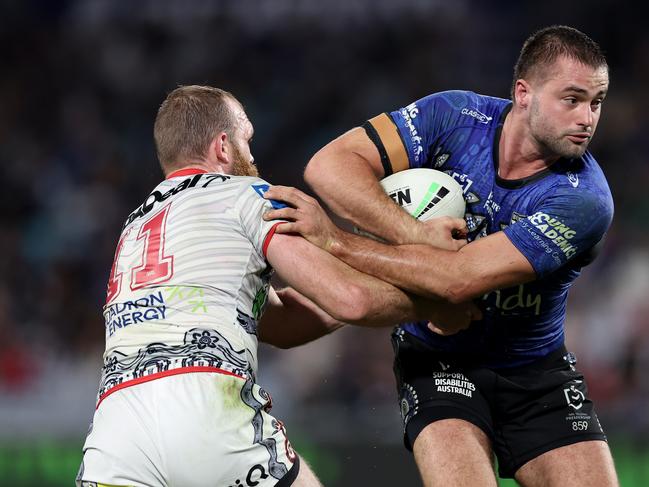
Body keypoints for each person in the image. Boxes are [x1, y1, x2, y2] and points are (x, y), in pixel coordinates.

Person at [263, 26, 619, 486]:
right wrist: (410, 231)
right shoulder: (453, 116)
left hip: (537, 373)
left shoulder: (584, 200)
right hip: (437, 359)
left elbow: (456, 281)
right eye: (572, 99)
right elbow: (328, 165)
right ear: (523, 93)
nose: (587, 118)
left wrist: (335, 240)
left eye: (596, 102)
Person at [76, 85, 480, 487]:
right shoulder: (246, 194)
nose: (252, 155)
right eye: (246, 139)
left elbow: (281, 324)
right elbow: (350, 299)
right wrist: (436, 298)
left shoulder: (134, 226)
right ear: (222, 146)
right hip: (205, 406)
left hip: (117, 427)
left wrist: (377, 273)